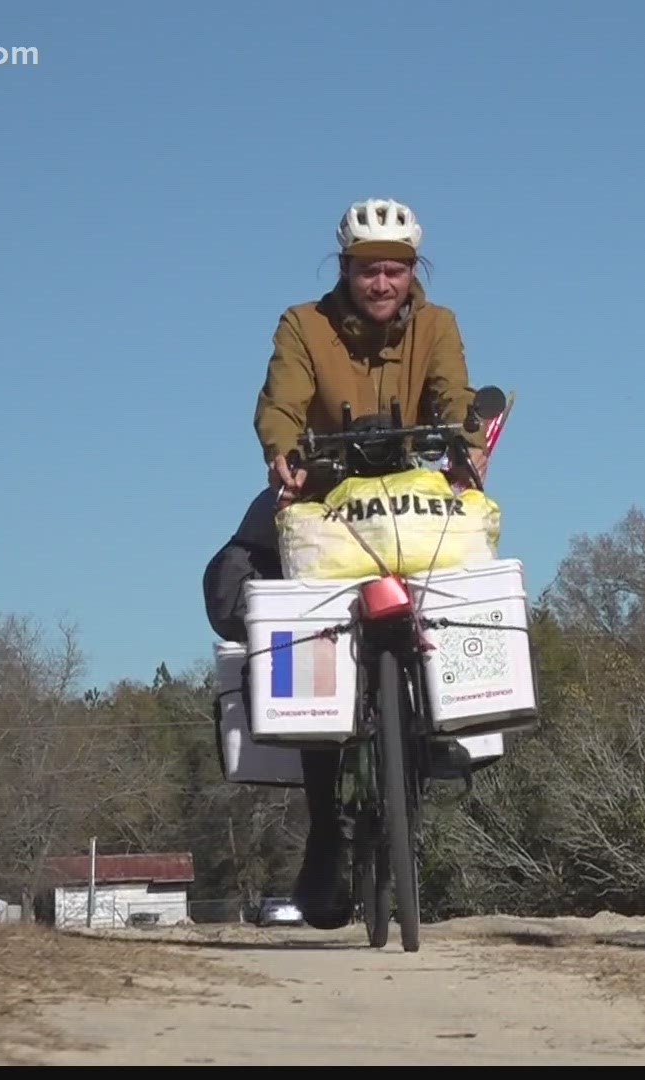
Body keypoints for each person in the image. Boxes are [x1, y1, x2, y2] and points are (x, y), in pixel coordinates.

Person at [245, 197, 482, 930]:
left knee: (467, 581)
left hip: (410, 504)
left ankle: (438, 730)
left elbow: (456, 397)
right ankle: (329, 832)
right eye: (367, 271)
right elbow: (281, 403)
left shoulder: (438, 327)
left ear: (414, 274)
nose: (381, 284)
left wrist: (468, 442)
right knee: (248, 596)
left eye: (394, 272)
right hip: (321, 501)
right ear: (344, 270)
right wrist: (282, 455)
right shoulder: (303, 325)